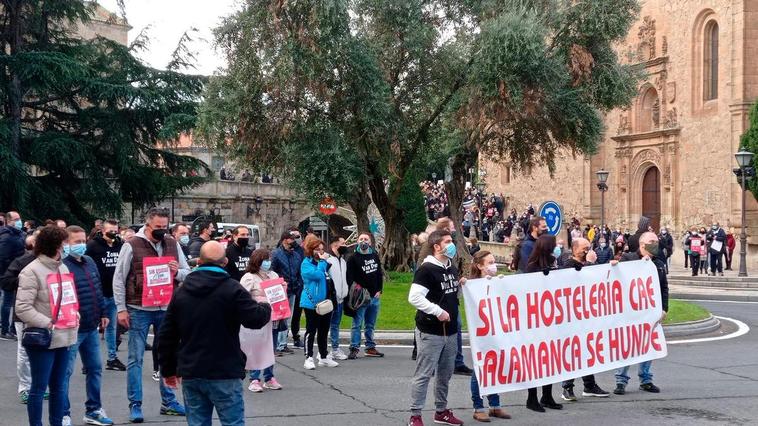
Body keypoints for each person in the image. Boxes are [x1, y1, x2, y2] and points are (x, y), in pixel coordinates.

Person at [158, 241, 271, 426]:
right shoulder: (232, 288)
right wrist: (265, 305)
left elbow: (167, 335)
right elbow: (255, 319)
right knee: (232, 422)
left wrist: (169, 369)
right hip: (224, 369)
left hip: (192, 369)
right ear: (225, 262)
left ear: (199, 261)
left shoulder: (182, 291)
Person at [113, 208, 190, 423]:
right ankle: (135, 404)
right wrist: (121, 308)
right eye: (157, 227)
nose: (161, 231)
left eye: (164, 227)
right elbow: (119, 278)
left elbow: (186, 272)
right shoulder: (131, 245)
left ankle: (169, 401)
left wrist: (177, 271)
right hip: (139, 308)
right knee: (135, 358)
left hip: (166, 307)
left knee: (168, 357)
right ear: (147, 225)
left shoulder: (172, 244)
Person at [15, 225, 78, 426]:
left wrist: (75, 314)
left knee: (59, 387)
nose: (67, 247)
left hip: (64, 335)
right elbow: (22, 308)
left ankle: (56, 423)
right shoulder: (31, 271)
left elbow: (69, 299)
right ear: (55, 246)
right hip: (43, 337)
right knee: (39, 387)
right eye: (64, 243)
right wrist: (48, 323)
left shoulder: (63, 267)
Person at [407, 230, 465, 426]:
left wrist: (461, 286)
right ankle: (415, 415)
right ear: (436, 246)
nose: (452, 245)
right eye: (447, 242)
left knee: (445, 374)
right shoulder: (426, 270)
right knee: (424, 374)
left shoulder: (451, 267)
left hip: (450, 331)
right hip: (430, 331)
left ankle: (441, 411)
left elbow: (449, 294)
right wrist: (437, 311)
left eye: (452, 241)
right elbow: (414, 297)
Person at [61, 226, 114, 426]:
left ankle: (93, 410)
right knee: (65, 373)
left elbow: (96, 287)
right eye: (76, 242)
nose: (82, 245)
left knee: (95, 368)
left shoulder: (89, 261)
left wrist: (103, 312)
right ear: (65, 244)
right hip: (71, 327)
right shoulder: (61, 265)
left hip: (91, 325)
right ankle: (63, 413)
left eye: (83, 240)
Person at [612, 232, 668, 394]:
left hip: (650, 312)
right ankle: (621, 380)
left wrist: (664, 308)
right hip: (629, 312)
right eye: (652, 241)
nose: (655, 244)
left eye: (656, 241)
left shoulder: (658, 262)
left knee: (648, 345)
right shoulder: (628, 259)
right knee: (628, 345)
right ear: (642, 244)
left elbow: (664, 287)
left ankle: (646, 379)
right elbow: (618, 280)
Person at [558, 238, 610, 402]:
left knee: (587, 350)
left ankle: (589, 385)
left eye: (589, 247)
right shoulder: (568, 264)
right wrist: (589, 263)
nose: (587, 250)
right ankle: (567, 387)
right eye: (584, 248)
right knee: (572, 352)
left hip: (586, 314)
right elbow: (581, 276)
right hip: (571, 316)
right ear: (574, 250)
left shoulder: (587, 262)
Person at [467, 250, 511, 422]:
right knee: (480, 369)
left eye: (494, 261)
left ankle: (495, 405)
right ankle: (478, 407)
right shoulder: (473, 285)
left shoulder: (494, 282)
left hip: (496, 331)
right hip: (481, 334)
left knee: (495, 367)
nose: (493, 265)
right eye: (490, 262)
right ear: (479, 266)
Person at [523, 235, 564, 413]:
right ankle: (532, 398)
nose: (558, 248)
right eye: (555, 245)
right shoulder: (532, 267)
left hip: (552, 318)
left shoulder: (554, 262)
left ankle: (547, 395)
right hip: (536, 321)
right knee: (536, 361)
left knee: (550, 360)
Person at [1, 232, 38, 404]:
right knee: (24, 351)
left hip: (47, 315)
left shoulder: (55, 262)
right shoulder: (23, 261)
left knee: (44, 351)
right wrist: (26, 281)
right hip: (23, 314)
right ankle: (25, 387)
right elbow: (6, 282)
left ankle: (38, 386)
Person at [240, 248, 284, 392]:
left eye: (269, 260)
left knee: (271, 346)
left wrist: (283, 287)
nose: (268, 263)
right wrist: (258, 299)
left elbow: (279, 294)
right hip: (258, 315)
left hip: (274, 315)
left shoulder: (273, 275)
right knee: (256, 347)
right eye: (265, 260)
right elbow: (242, 296)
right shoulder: (249, 277)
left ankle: (269, 377)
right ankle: (254, 378)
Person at [85, 219, 126, 372]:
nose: (113, 233)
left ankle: (112, 357)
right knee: (91, 329)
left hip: (114, 293)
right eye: (110, 230)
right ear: (102, 231)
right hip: (97, 293)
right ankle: (88, 362)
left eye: (116, 230)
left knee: (111, 327)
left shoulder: (120, 245)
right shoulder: (93, 246)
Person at [300, 238, 339, 370]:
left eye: (322, 249)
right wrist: (323, 262)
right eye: (317, 249)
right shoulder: (306, 264)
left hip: (325, 302)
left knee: (324, 330)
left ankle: (323, 356)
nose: (321, 252)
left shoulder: (324, 264)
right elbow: (317, 275)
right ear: (311, 250)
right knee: (311, 330)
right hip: (311, 303)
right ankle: (308, 357)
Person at [346, 232, 384, 359]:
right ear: (357, 242)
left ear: (370, 242)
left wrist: (380, 290)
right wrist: (358, 291)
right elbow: (350, 278)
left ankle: (370, 347)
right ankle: (354, 347)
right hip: (361, 297)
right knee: (357, 324)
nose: (363, 241)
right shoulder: (352, 258)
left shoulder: (374, 255)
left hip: (375, 296)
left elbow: (379, 273)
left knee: (370, 324)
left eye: (366, 239)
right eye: (361, 239)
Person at [271, 232, 304, 352]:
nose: (294, 241)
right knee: (280, 317)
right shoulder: (276, 254)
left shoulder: (296, 255)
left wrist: (298, 284)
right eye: (292, 239)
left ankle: (283, 343)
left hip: (293, 289)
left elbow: (299, 271)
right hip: (280, 289)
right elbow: (272, 271)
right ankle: (279, 344)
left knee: (287, 317)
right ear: (285, 240)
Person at [0, 210, 25, 340]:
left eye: (19, 218)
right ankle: (4, 330)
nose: (19, 221)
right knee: (8, 302)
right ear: (9, 221)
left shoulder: (18, 234)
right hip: (9, 274)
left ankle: (12, 328)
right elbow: (3, 257)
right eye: (16, 219)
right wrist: (10, 271)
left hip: (17, 272)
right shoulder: (7, 236)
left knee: (15, 302)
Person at [326, 237, 349, 361]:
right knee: (327, 325)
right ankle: (326, 349)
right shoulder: (328, 261)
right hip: (330, 298)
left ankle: (335, 348)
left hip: (340, 298)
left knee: (335, 324)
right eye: (343, 243)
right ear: (335, 245)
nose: (345, 245)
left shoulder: (343, 262)